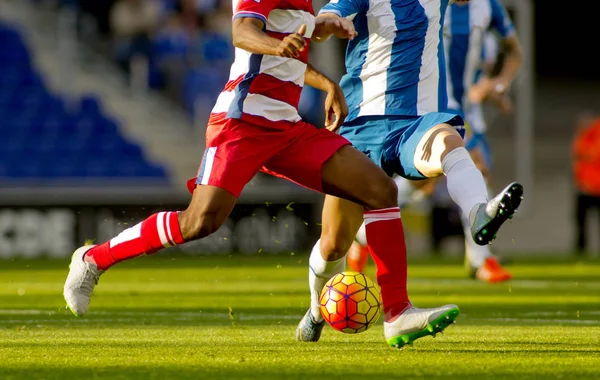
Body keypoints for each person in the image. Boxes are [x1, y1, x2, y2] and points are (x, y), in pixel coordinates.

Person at [63, 0, 459, 349]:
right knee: (200, 222)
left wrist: (324, 77)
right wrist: (278, 44)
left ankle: (397, 312)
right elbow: (243, 31)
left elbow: (289, 52)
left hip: (286, 128)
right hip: (242, 122)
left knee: (379, 188)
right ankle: (94, 259)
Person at [296, 0, 523, 345]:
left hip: (414, 123)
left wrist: (497, 83)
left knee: (450, 143)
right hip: (359, 127)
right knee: (333, 245)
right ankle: (315, 310)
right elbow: (331, 15)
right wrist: (326, 23)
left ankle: (479, 215)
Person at [346, 0, 523, 284]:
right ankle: (480, 258)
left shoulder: (488, 7)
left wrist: (498, 84)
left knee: (458, 174)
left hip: (468, 107)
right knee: (449, 173)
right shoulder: (432, 4)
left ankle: (480, 258)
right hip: (435, 101)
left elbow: (514, 50)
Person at [572, 113, 600, 255]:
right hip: (584, 188)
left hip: (597, 188)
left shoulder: (595, 135)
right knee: (580, 222)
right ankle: (581, 250)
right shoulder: (582, 137)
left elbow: (592, 154)